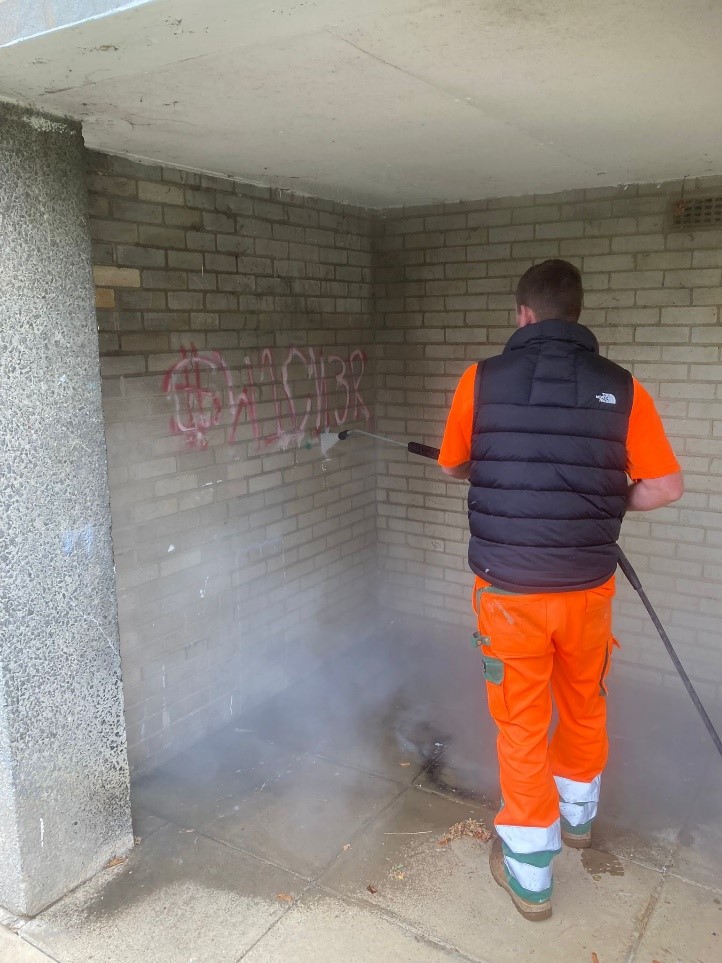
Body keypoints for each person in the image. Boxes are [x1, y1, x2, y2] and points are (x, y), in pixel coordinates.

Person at [438, 259, 683, 922]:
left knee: (520, 727)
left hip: (509, 594)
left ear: (523, 313)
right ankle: (577, 818)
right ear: (575, 312)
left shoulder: (480, 380)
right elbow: (664, 485)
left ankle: (531, 876)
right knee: (583, 701)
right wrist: (612, 499)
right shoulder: (622, 387)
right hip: (586, 590)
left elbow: (455, 462)